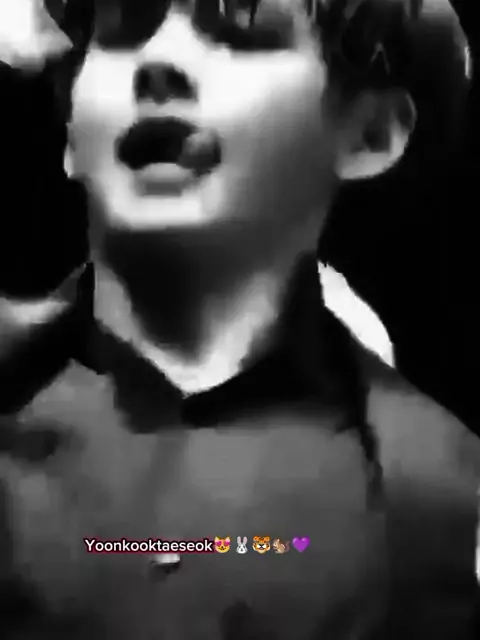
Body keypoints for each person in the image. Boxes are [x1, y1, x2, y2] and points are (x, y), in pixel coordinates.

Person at [1, 0, 480, 638]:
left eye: (240, 27)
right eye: (125, 28)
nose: (159, 60)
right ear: (69, 129)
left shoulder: (449, 499)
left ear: (369, 134)